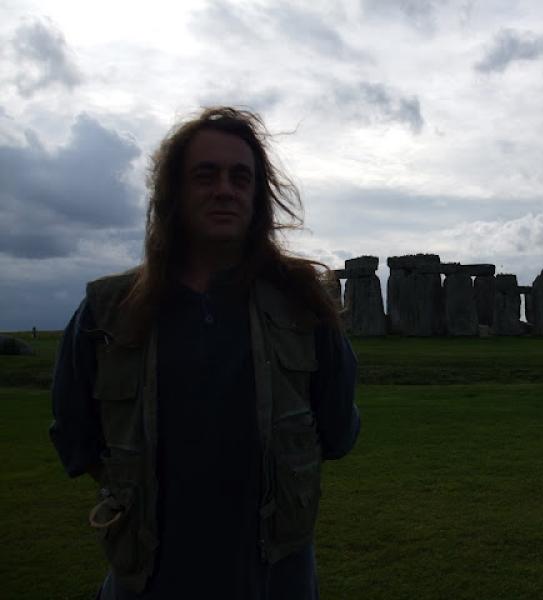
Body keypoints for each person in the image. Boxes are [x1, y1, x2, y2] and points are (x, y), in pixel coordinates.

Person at [49, 107, 360, 599]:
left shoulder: (305, 305)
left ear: (258, 195)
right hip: (148, 575)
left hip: (275, 574)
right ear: (174, 190)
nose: (225, 189)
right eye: (205, 174)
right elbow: (74, 431)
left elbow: (339, 427)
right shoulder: (106, 310)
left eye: (241, 177)